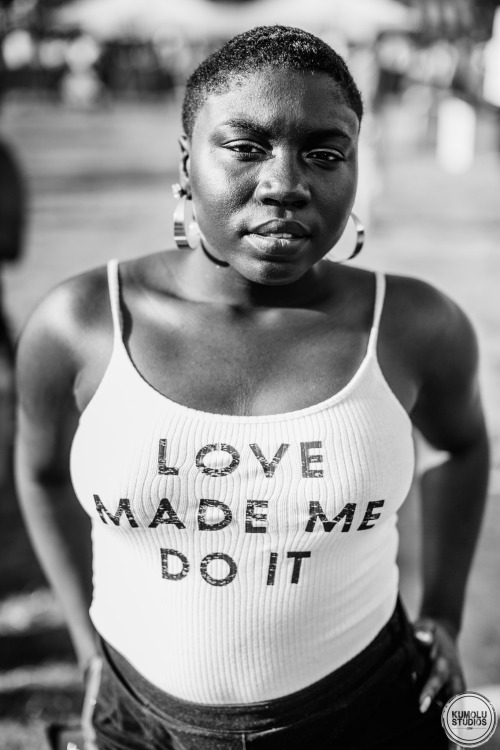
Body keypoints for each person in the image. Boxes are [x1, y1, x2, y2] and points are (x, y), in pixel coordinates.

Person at [15, 25, 490, 750]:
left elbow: (462, 447)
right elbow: (43, 472)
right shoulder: (80, 323)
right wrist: (87, 648)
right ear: (185, 163)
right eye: (245, 146)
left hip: (366, 712)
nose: (286, 183)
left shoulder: (415, 325)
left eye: (325, 153)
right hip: (138, 722)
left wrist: (446, 613)